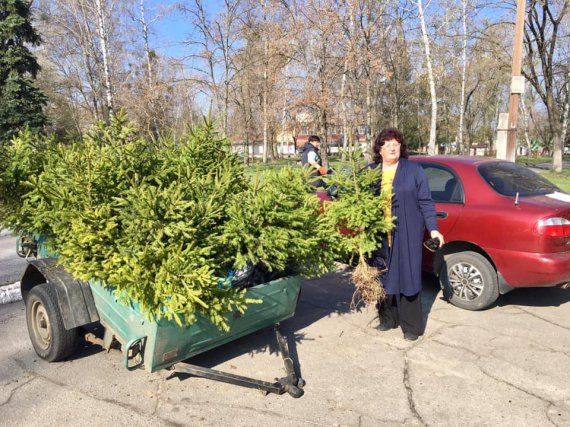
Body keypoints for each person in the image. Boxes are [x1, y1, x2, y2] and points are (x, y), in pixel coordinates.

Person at [367, 128, 444, 341]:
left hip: (407, 232)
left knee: (408, 276)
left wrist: (434, 228)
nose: (393, 146)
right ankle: (388, 319)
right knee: (382, 275)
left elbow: (426, 202)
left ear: (402, 147)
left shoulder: (414, 170)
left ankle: (411, 327)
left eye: (397, 143)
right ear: (379, 149)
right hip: (379, 235)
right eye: (387, 143)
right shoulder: (370, 171)